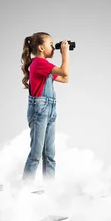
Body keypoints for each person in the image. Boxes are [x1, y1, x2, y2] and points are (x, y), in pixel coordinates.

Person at [20, 32, 70, 181]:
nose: (53, 48)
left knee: (49, 155)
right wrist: (65, 54)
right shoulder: (39, 63)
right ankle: (24, 189)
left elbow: (65, 79)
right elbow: (64, 71)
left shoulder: (45, 67)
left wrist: (63, 55)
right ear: (41, 48)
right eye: (51, 44)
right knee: (36, 154)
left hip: (49, 111)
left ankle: (50, 191)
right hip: (40, 111)